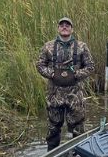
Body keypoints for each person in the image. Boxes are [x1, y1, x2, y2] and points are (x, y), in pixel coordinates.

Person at [36, 17, 95, 150]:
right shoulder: (48, 46)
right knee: (53, 126)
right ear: (58, 28)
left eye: (67, 25)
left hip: (75, 94)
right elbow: (40, 65)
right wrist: (51, 74)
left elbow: (90, 66)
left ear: (72, 29)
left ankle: (78, 155)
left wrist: (76, 75)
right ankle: (51, 156)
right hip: (54, 93)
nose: (64, 27)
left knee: (78, 126)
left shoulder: (81, 46)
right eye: (61, 25)